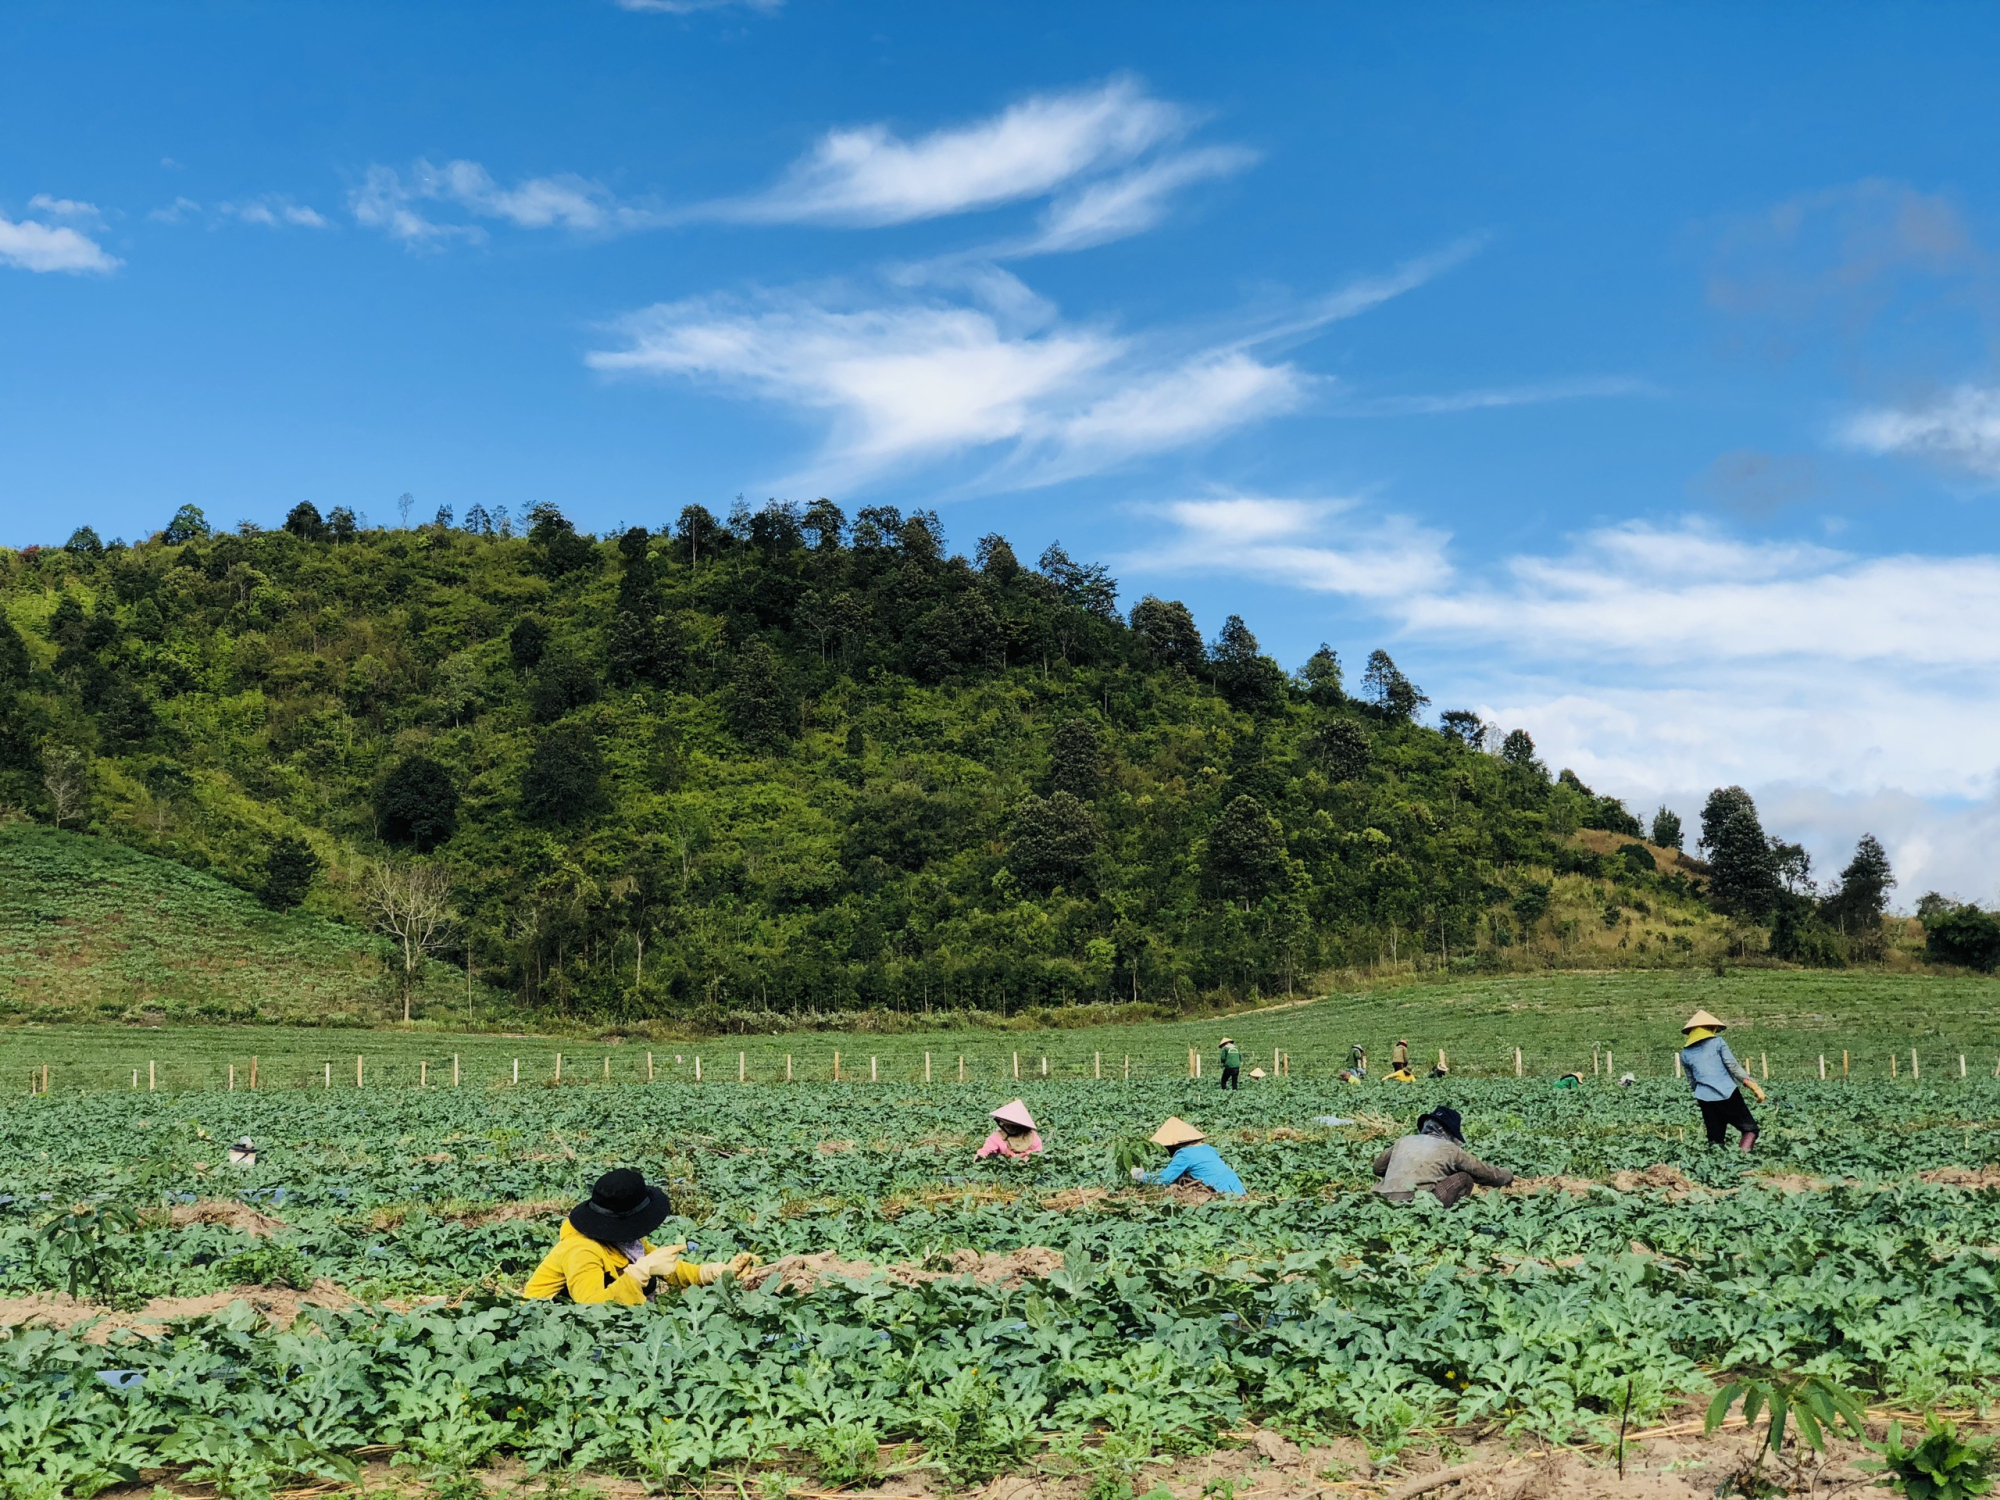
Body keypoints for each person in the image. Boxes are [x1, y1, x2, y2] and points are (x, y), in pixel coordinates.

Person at [523, 1167, 755, 1305]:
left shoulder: (626, 1243)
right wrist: (641, 1273)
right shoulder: (582, 1250)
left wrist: (718, 1271)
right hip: (549, 1323)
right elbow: (589, 1306)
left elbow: (674, 1269)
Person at [1372, 1106, 1514, 1208]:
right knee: (1464, 1178)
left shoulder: (1403, 1141)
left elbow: (1378, 1168)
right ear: (1449, 1132)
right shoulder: (1450, 1149)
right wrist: (1507, 1174)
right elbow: (1484, 1173)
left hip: (1382, 1199)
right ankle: (1445, 1219)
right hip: (1418, 1203)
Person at [1678, 1009, 1764, 1151]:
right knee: (1750, 1130)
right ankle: (1740, 1158)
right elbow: (1733, 1067)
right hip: (1727, 1094)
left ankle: (1717, 1167)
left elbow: (1691, 1080)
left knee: (1715, 1139)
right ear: (1710, 1029)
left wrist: (1703, 1093)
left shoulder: (1685, 1053)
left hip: (1704, 1098)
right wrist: (1754, 1086)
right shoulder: (1717, 1043)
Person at [1132, 1117, 1246, 1195]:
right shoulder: (1208, 1148)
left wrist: (1141, 1176)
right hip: (1238, 1189)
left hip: (1221, 1192)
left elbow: (1165, 1179)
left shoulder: (1184, 1154)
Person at [976, 1099, 1044, 1159]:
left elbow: (1038, 1152)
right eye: (1007, 1125)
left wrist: (1027, 1157)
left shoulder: (1032, 1138)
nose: (1010, 1128)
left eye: (1014, 1126)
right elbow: (986, 1150)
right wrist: (981, 1157)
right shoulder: (997, 1137)